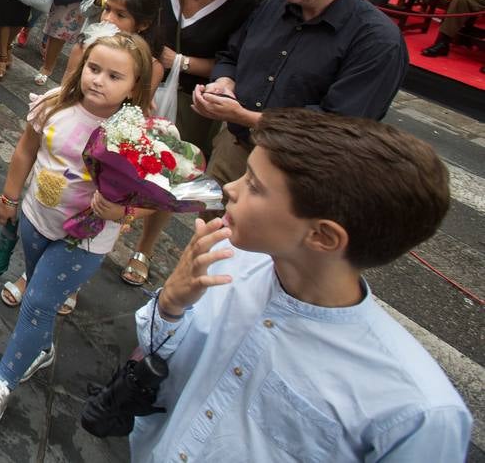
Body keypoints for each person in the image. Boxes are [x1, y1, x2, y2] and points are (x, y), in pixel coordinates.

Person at [133, 110, 470, 462]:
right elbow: (162, 360)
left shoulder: (418, 412)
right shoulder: (226, 258)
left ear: (322, 236)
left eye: (254, 185)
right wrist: (171, 305)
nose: (230, 188)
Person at [0, 31, 155, 423]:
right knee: (38, 294)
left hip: (85, 240)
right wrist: (9, 198)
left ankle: (1, 382)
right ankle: (40, 349)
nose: (98, 80)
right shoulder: (54, 104)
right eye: (94, 68)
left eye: (115, 76)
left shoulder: (139, 138)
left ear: (134, 87)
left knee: (39, 301)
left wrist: (121, 213)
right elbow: (26, 149)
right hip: (35, 218)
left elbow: (153, 200)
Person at [193, 0, 407, 186]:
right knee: (214, 226)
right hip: (234, 150)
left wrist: (245, 117)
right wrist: (224, 83)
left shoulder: (376, 40)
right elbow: (231, 55)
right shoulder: (273, 6)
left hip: (299, 176)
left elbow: (341, 127)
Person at [125, 0, 263, 287]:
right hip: (141, 83)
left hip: (194, 100)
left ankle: (144, 248)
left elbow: (238, 60)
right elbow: (130, 16)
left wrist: (182, 62)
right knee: (120, 156)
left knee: (169, 174)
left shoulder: (248, 1)